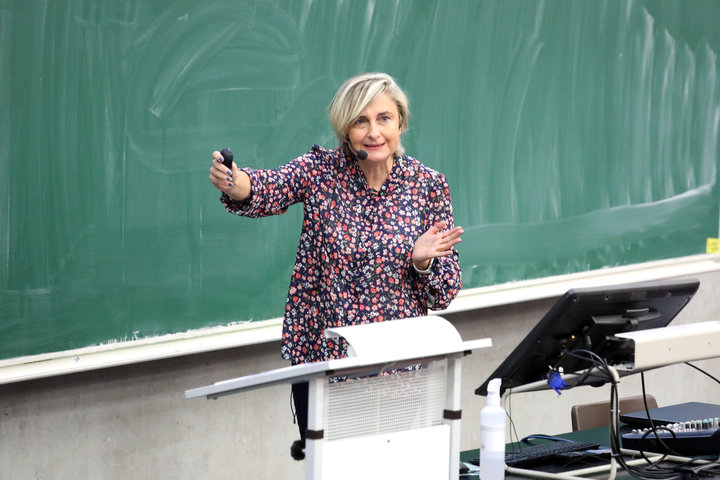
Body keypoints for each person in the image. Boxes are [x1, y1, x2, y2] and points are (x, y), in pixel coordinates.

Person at [208, 72, 463, 458]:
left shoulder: (428, 186)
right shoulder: (319, 172)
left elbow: (443, 293)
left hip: (399, 372)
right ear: (345, 130)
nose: (373, 132)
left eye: (384, 118)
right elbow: (266, 188)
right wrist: (234, 181)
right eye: (360, 121)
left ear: (400, 123)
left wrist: (422, 263)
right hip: (325, 363)